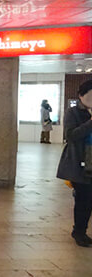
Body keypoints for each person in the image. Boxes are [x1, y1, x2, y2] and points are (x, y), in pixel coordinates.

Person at [58, 80, 92, 247]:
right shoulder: (74, 112)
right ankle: (79, 232)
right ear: (81, 96)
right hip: (81, 162)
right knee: (84, 200)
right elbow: (71, 135)